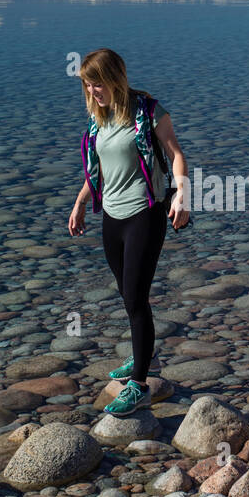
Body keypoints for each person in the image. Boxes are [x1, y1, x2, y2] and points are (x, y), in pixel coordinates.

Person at [68, 49, 189, 416]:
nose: (92, 91)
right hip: (112, 216)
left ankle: (139, 384)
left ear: (115, 79)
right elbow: (100, 172)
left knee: (136, 296)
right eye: (87, 85)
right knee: (126, 293)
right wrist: (78, 204)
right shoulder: (98, 118)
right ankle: (144, 358)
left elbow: (176, 153)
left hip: (145, 212)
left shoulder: (148, 111)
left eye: (97, 83)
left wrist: (182, 194)